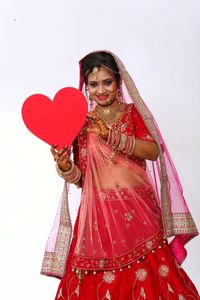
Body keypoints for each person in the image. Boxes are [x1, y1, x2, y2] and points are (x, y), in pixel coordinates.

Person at [41, 51, 199, 299]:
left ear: (118, 82)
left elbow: (152, 151)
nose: (101, 90)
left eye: (107, 82)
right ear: (86, 87)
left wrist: (111, 136)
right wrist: (65, 167)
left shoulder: (132, 113)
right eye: (93, 85)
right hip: (97, 216)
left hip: (138, 212)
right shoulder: (79, 123)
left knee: (153, 276)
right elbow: (83, 178)